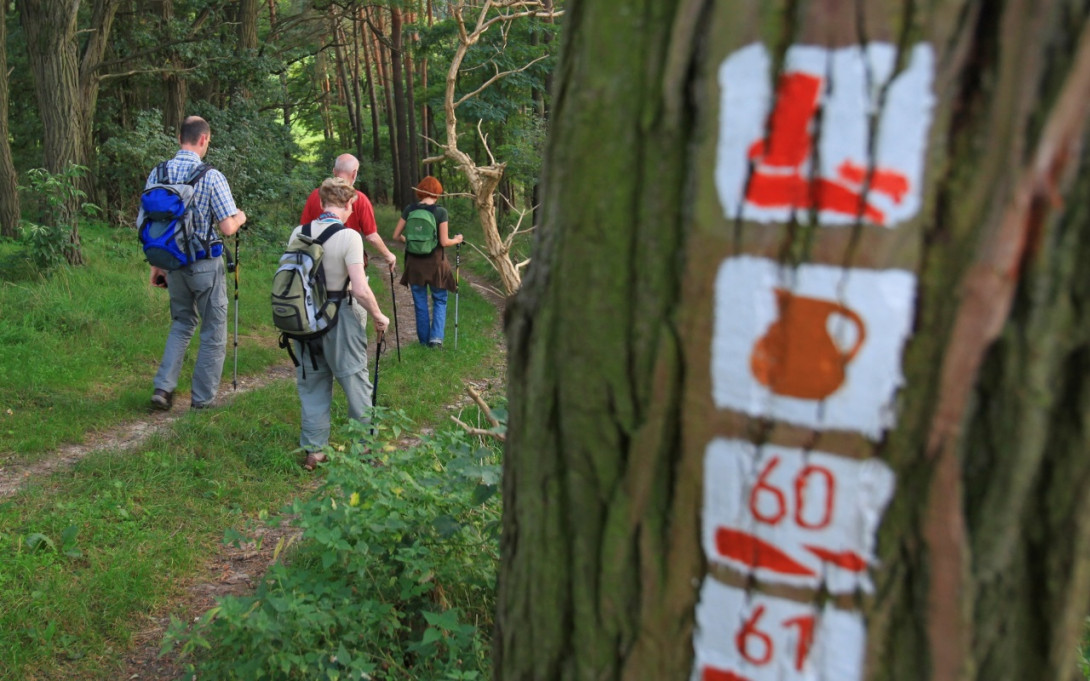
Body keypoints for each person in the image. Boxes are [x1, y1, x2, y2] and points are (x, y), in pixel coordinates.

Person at [147, 116, 247, 411]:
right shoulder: (211, 176)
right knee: (213, 330)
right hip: (204, 265)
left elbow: (150, 221)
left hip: (172, 263)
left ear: (180, 138)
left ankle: (163, 389)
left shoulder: (159, 172)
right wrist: (241, 216)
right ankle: (202, 401)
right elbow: (228, 228)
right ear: (204, 139)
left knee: (182, 322)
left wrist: (157, 264)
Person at [290, 177, 390, 470]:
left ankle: (314, 450)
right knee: (355, 380)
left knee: (312, 384)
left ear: (321, 203)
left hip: (303, 318)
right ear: (348, 205)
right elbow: (359, 288)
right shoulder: (349, 237)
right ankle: (365, 450)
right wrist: (378, 315)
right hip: (339, 316)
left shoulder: (299, 232)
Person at [391, 176, 463, 348]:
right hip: (435, 263)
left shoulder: (410, 209)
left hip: (414, 264)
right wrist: (458, 240)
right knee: (439, 299)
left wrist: (411, 243)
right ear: (437, 192)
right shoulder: (440, 212)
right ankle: (436, 340)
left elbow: (395, 236)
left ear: (420, 191)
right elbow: (444, 242)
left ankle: (423, 341)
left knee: (420, 301)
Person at [299, 154, 397, 270]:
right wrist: (388, 255)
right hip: (348, 261)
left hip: (317, 259)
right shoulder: (359, 199)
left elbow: (304, 230)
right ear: (354, 173)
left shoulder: (316, 195)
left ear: (334, 171)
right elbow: (371, 236)